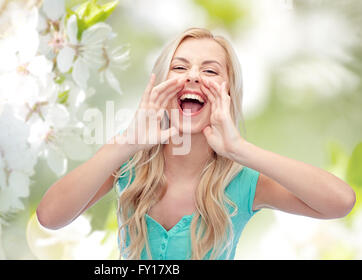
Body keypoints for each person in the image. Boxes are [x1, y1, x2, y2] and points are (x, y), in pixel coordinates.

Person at [36, 27, 356, 260]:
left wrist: (239, 149)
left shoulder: (244, 184)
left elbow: (340, 202)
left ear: (228, 95)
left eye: (210, 70)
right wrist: (125, 144)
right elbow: (50, 216)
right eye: (179, 67)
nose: (193, 77)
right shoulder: (127, 167)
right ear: (160, 86)